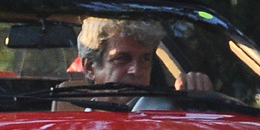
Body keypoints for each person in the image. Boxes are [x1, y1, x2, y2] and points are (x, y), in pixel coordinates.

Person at [76, 17, 212, 92]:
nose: (136, 70)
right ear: (89, 68)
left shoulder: (168, 118)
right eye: (122, 59)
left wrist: (198, 99)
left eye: (145, 59)